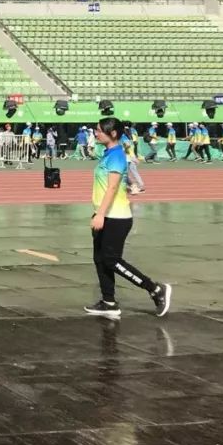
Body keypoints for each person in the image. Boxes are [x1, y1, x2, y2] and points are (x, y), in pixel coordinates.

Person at [84, 118, 171, 319]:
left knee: (112, 260)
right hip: (105, 214)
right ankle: (109, 302)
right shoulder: (108, 154)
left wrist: (100, 214)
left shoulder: (116, 155)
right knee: (100, 259)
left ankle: (155, 289)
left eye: (99, 130)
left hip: (116, 217)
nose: (96, 133)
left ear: (113, 133)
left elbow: (112, 187)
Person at [120, 127, 145, 194]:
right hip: (131, 156)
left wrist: (123, 150)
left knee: (124, 173)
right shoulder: (129, 136)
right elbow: (131, 147)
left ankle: (132, 186)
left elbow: (128, 146)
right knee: (134, 172)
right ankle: (140, 186)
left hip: (127, 157)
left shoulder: (123, 137)